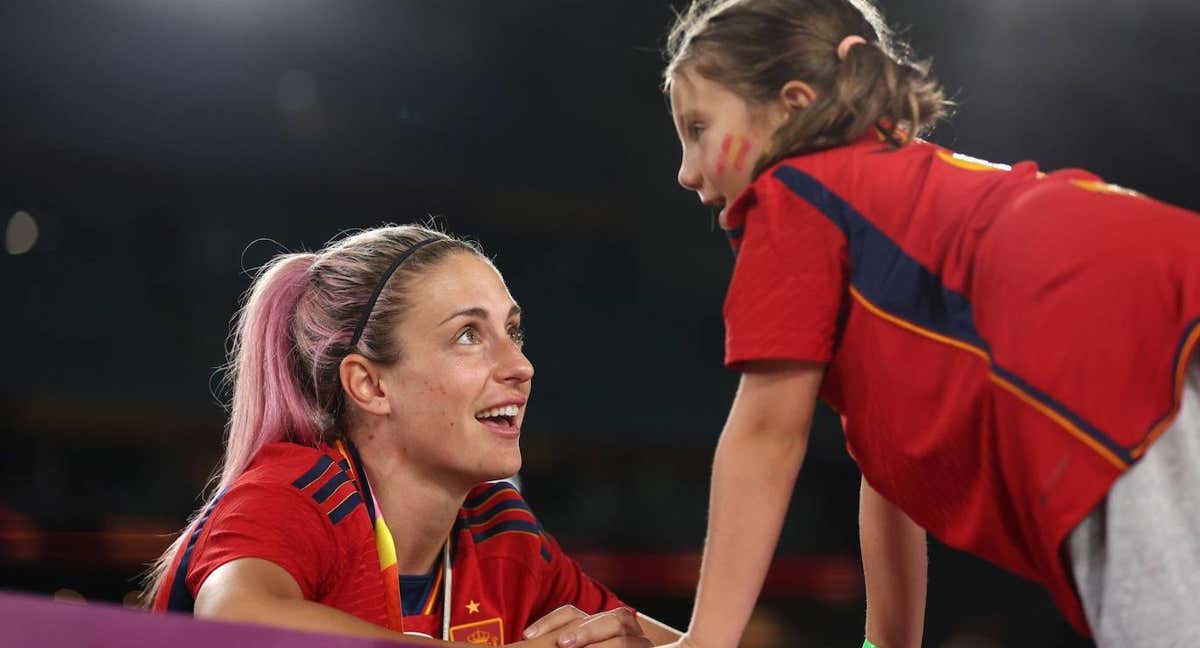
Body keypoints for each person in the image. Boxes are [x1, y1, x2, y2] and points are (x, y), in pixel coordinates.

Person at [658, 1, 1200, 647]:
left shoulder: (794, 191)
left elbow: (766, 435)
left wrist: (706, 641)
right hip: (1169, 297)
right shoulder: (895, 203)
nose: (687, 173)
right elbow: (890, 475)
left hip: (1100, 335)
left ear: (793, 107)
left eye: (698, 128)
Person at [146, 224, 681, 648]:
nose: (521, 366)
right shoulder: (295, 491)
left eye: (513, 332)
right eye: (469, 335)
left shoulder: (503, 529)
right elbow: (236, 621)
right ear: (370, 384)